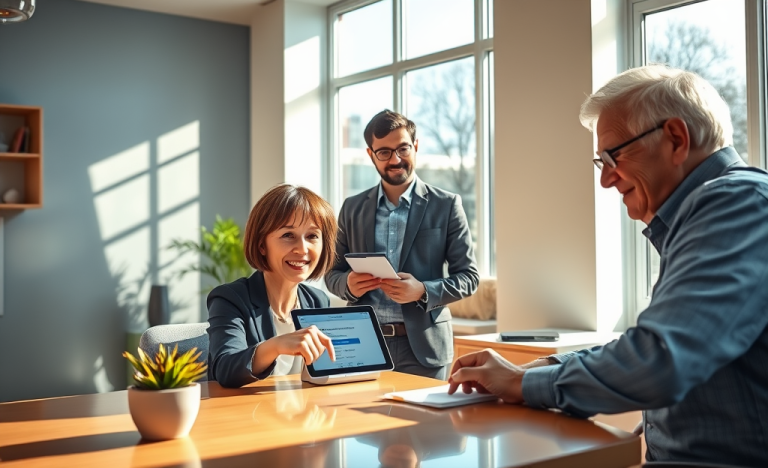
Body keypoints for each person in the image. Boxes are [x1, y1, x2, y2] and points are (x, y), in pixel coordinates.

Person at [448, 65, 768, 467]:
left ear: (675, 138)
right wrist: (541, 366)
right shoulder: (712, 213)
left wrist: (523, 382)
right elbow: (655, 343)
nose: (606, 181)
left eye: (612, 156)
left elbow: (660, 360)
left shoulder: (736, 203)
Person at [325, 110, 479, 380]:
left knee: (424, 423)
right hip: (363, 344)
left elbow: (469, 277)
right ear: (371, 155)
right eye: (384, 152)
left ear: (415, 146)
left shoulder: (446, 205)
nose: (395, 159)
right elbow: (331, 273)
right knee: (359, 422)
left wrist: (422, 290)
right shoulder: (352, 208)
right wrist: (347, 284)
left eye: (403, 148)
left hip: (423, 347)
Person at [207, 184, 339, 388]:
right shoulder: (230, 298)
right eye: (288, 235)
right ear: (262, 245)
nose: (302, 249)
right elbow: (225, 369)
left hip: (305, 414)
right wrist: (276, 346)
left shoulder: (317, 300)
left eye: (312, 236)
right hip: (249, 415)